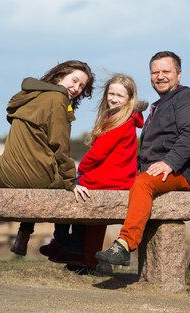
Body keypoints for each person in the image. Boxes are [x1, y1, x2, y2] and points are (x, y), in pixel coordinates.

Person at [0, 60, 95, 273]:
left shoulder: (29, 94)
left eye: (82, 87)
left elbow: (10, 113)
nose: (76, 89)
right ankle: (30, 234)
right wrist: (71, 181)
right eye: (74, 81)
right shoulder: (58, 99)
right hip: (36, 178)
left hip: (6, 175)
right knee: (51, 175)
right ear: (59, 76)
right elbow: (60, 145)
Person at [95, 51, 190, 266]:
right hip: (154, 170)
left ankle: (124, 245)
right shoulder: (159, 105)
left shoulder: (189, 99)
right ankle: (86, 258)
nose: (160, 76)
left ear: (179, 74)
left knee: (143, 182)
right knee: (100, 185)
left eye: (166, 71)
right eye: (154, 72)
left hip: (181, 172)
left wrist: (170, 162)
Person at [40, 74, 147, 273]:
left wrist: (81, 170)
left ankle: (64, 243)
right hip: (116, 176)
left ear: (129, 99)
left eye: (120, 96)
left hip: (110, 178)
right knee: (78, 192)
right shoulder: (126, 118)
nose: (113, 99)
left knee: (66, 188)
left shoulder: (120, 120)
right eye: (111, 94)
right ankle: (75, 249)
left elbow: (97, 153)